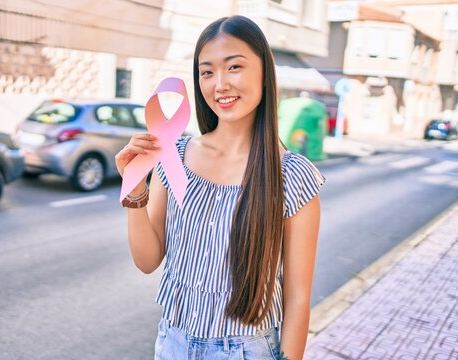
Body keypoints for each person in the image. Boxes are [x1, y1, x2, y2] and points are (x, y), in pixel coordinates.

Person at [115, 15, 326, 360]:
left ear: (264, 72)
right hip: (173, 343)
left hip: (247, 350)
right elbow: (147, 261)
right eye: (207, 72)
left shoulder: (292, 175)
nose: (220, 85)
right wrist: (135, 186)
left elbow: (298, 297)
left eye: (234, 67)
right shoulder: (175, 155)